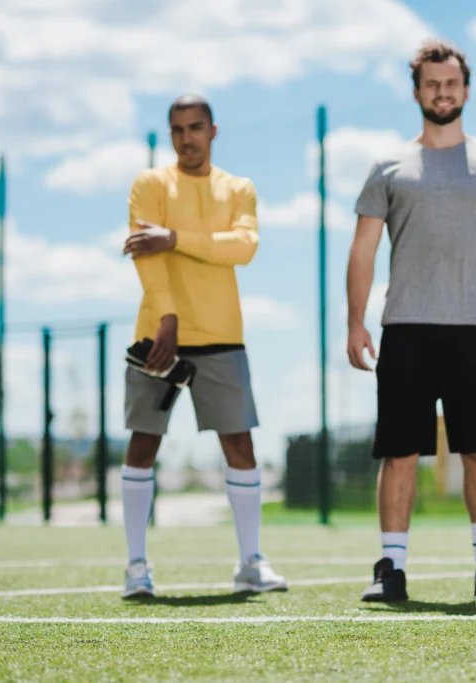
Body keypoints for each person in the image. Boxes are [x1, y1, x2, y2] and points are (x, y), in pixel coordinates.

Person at [346, 39, 476, 602]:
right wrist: (356, 322)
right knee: (400, 452)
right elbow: (363, 250)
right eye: (432, 84)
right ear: (417, 92)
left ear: (466, 90)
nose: (442, 92)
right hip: (405, 327)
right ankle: (390, 569)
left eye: (451, 83)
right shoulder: (388, 167)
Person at [119, 94, 287, 598]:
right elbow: (145, 257)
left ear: (213, 131)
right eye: (177, 129)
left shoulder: (238, 188)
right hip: (158, 334)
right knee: (143, 442)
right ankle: (135, 567)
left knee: (240, 446)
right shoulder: (149, 184)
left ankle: (250, 563)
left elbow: (244, 247)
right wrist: (168, 316)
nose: (186, 138)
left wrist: (175, 238)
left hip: (221, 334)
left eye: (195, 127)